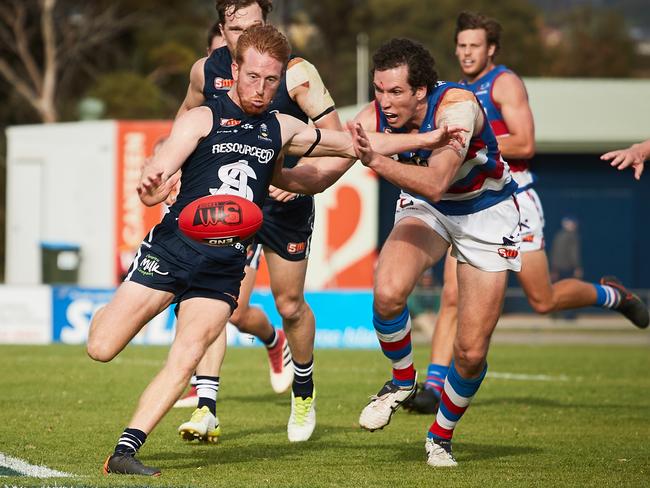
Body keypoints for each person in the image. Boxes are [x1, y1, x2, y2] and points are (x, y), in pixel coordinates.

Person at [92, 24, 464, 476]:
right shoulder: (201, 119)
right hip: (173, 249)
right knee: (102, 346)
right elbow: (154, 188)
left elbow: (355, 143)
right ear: (235, 70)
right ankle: (114, 315)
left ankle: (125, 452)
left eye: (271, 80)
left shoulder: (281, 126)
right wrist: (151, 186)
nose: (261, 89)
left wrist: (424, 140)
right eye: (253, 77)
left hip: (225, 264)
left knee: (188, 353)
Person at [406, 11, 649, 417]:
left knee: (543, 299)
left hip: (515, 196)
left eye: (474, 46)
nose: (466, 53)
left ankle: (612, 295)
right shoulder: (456, 92)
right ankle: (433, 387)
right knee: (452, 293)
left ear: (491, 49)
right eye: (461, 46)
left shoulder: (504, 82)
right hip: (475, 202)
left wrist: (472, 137)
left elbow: (525, 142)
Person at [173, 0, 349, 444]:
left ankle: (303, 389)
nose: (245, 35)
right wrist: (174, 168)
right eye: (236, 28)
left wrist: (306, 183)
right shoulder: (204, 71)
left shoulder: (296, 72)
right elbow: (186, 118)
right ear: (222, 28)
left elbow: (342, 143)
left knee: (290, 305)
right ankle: (206, 407)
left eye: (255, 25)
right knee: (220, 300)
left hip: (282, 202)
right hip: (230, 202)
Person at [351, 37, 521, 468]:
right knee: (388, 290)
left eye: (395, 92)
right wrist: (282, 179)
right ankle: (402, 381)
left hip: (486, 211)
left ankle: (440, 436)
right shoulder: (374, 116)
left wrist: (375, 160)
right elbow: (328, 164)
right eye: (378, 90)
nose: (384, 103)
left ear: (421, 91)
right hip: (428, 210)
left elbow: (435, 181)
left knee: (470, 352)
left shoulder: (458, 109)